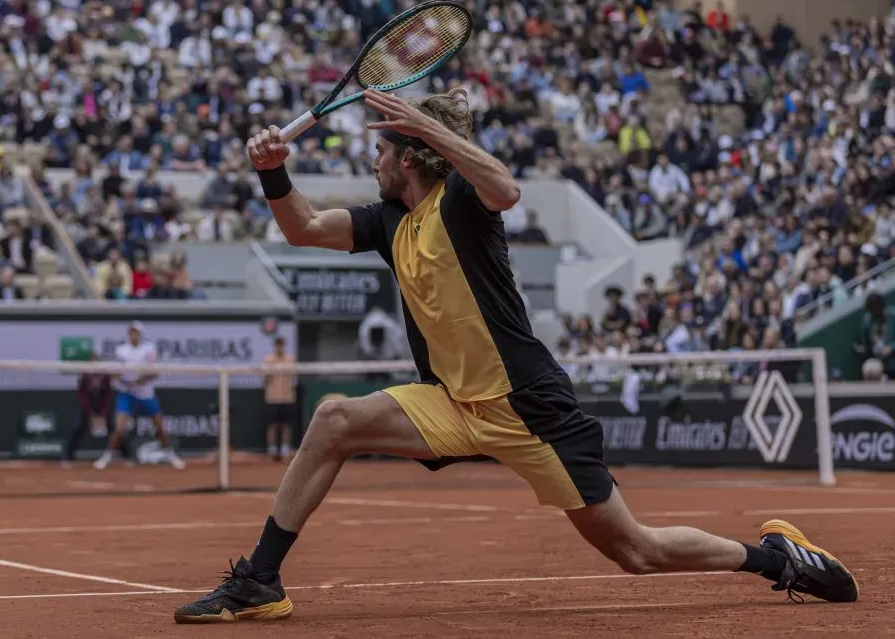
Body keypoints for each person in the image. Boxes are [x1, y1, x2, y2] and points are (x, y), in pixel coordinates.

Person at [173, 89, 858, 623]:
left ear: (409, 155)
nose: (372, 162)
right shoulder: (386, 220)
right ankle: (259, 581)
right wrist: (273, 171)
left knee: (635, 551)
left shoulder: (464, 201)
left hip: (528, 408)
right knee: (334, 420)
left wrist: (429, 127)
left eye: (381, 152)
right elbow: (300, 229)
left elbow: (507, 187)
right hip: (451, 402)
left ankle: (776, 559)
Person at [94, 321, 185, 470]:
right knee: (119, 429)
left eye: (136, 332)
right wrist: (120, 378)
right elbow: (118, 371)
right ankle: (107, 456)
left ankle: (170, 455)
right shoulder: (121, 350)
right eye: (131, 332)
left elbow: (153, 373)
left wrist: (138, 381)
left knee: (160, 427)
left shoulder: (149, 349)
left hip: (146, 394)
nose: (133, 335)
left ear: (141, 334)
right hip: (126, 394)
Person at [63, 355, 132, 464]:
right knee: (78, 427)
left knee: (115, 428)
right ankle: (68, 457)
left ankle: (126, 456)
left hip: (103, 406)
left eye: (97, 363)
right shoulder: (84, 377)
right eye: (92, 363)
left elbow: (107, 396)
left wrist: (103, 413)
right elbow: (82, 396)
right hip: (87, 407)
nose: (95, 366)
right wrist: (91, 413)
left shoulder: (105, 376)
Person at [262, 336, 297, 461]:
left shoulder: (290, 360)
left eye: (282, 345)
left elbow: (293, 378)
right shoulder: (268, 360)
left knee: (286, 425)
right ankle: (271, 449)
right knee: (272, 425)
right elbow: (264, 379)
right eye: (278, 345)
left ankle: (285, 449)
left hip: (287, 397)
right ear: (275, 346)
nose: (280, 347)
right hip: (272, 398)